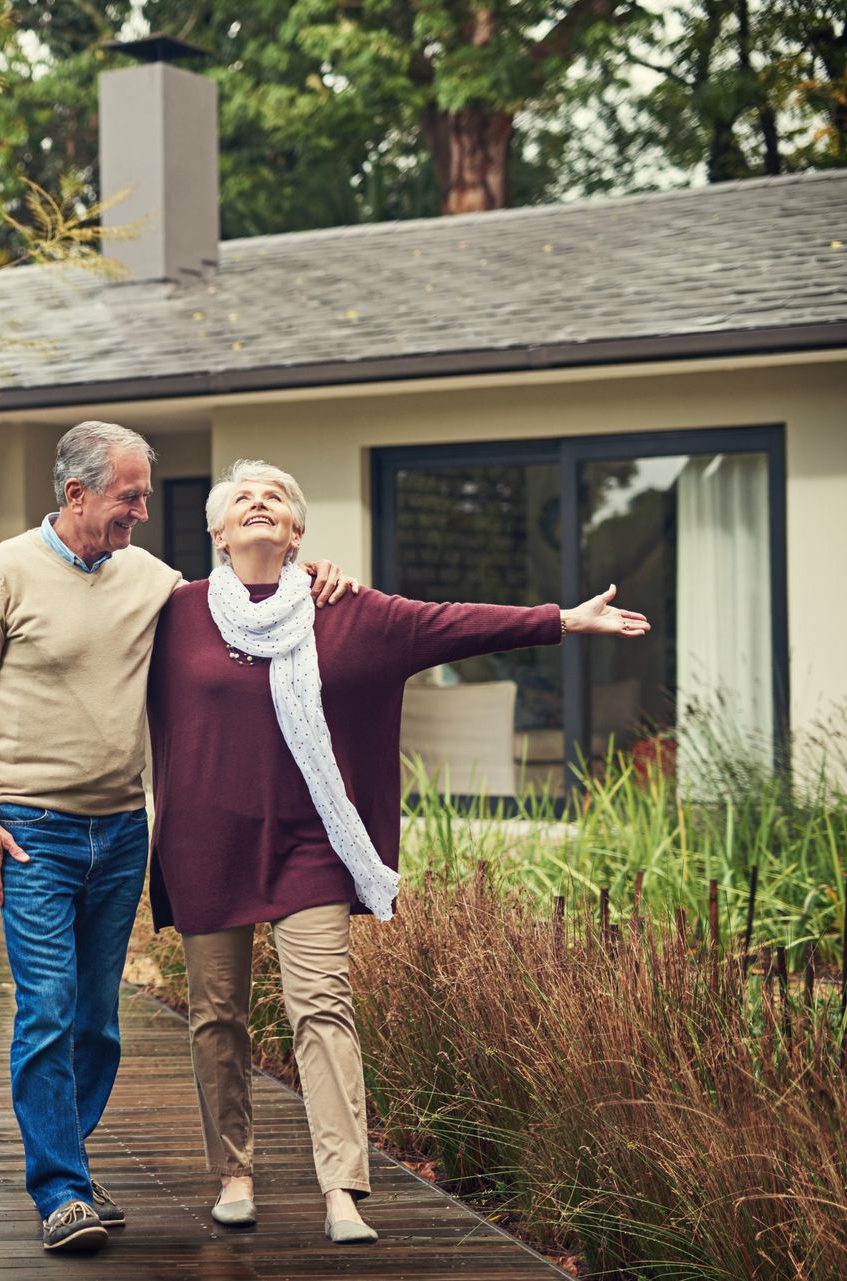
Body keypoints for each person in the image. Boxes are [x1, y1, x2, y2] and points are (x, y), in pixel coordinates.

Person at [146, 459, 649, 1245]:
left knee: (322, 1005)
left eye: (275, 496)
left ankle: (341, 1187)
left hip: (312, 842)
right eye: (240, 497)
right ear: (216, 531)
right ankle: (234, 1172)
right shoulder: (172, 612)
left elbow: (447, 622)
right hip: (207, 841)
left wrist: (561, 620)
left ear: (297, 530)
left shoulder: (345, 610)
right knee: (217, 1014)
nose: (257, 503)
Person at [0, 424, 356, 1253]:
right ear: (76, 493)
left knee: (97, 1024)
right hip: (31, 833)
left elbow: (240, 600)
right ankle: (59, 1189)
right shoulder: (1, 573)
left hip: (123, 832)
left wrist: (314, 574)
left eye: (147, 495)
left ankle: (72, 1168)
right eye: (130, 495)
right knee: (47, 1010)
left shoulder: (155, 581)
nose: (142, 510)